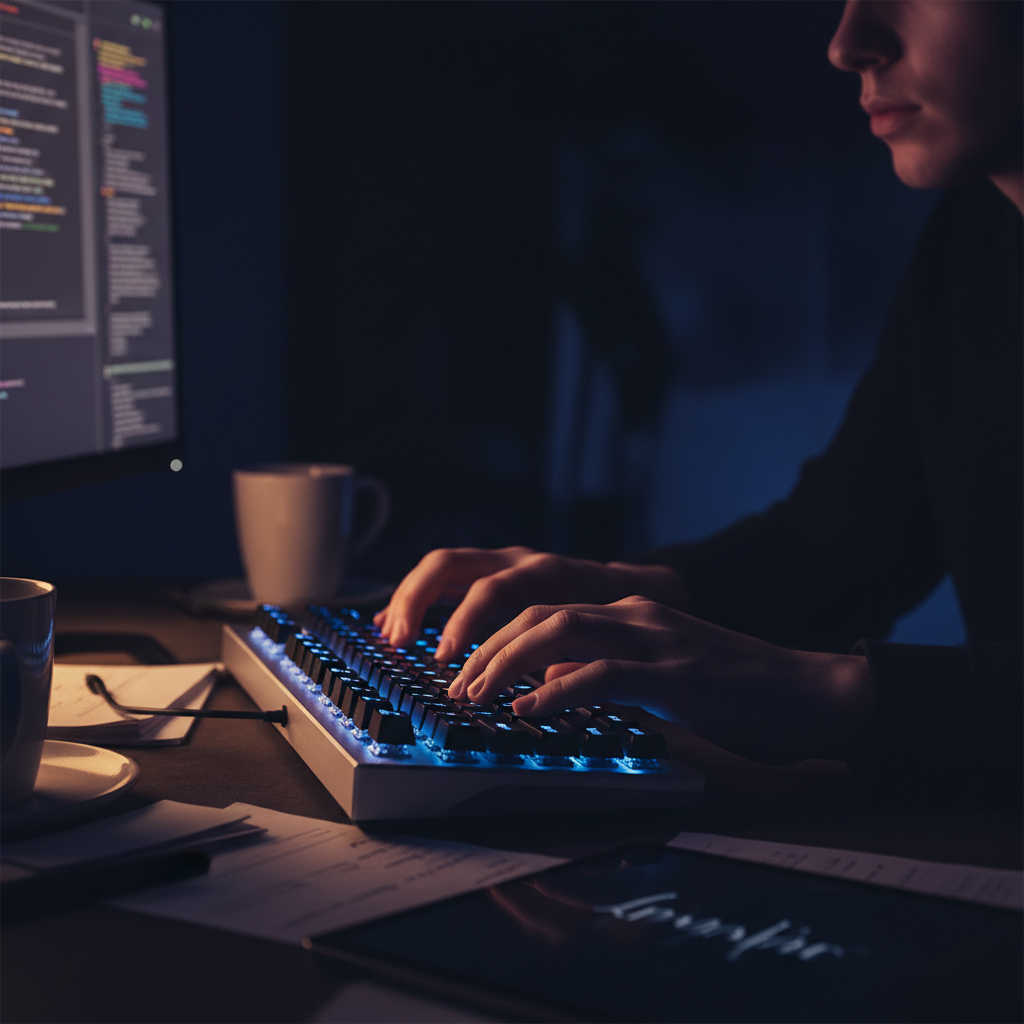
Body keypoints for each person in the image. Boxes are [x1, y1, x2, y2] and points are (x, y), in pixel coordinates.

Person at [374, 0, 1023, 802]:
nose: (847, 45)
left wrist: (832, 695)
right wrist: (631, 592)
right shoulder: (973, 242)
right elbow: (838, 551)